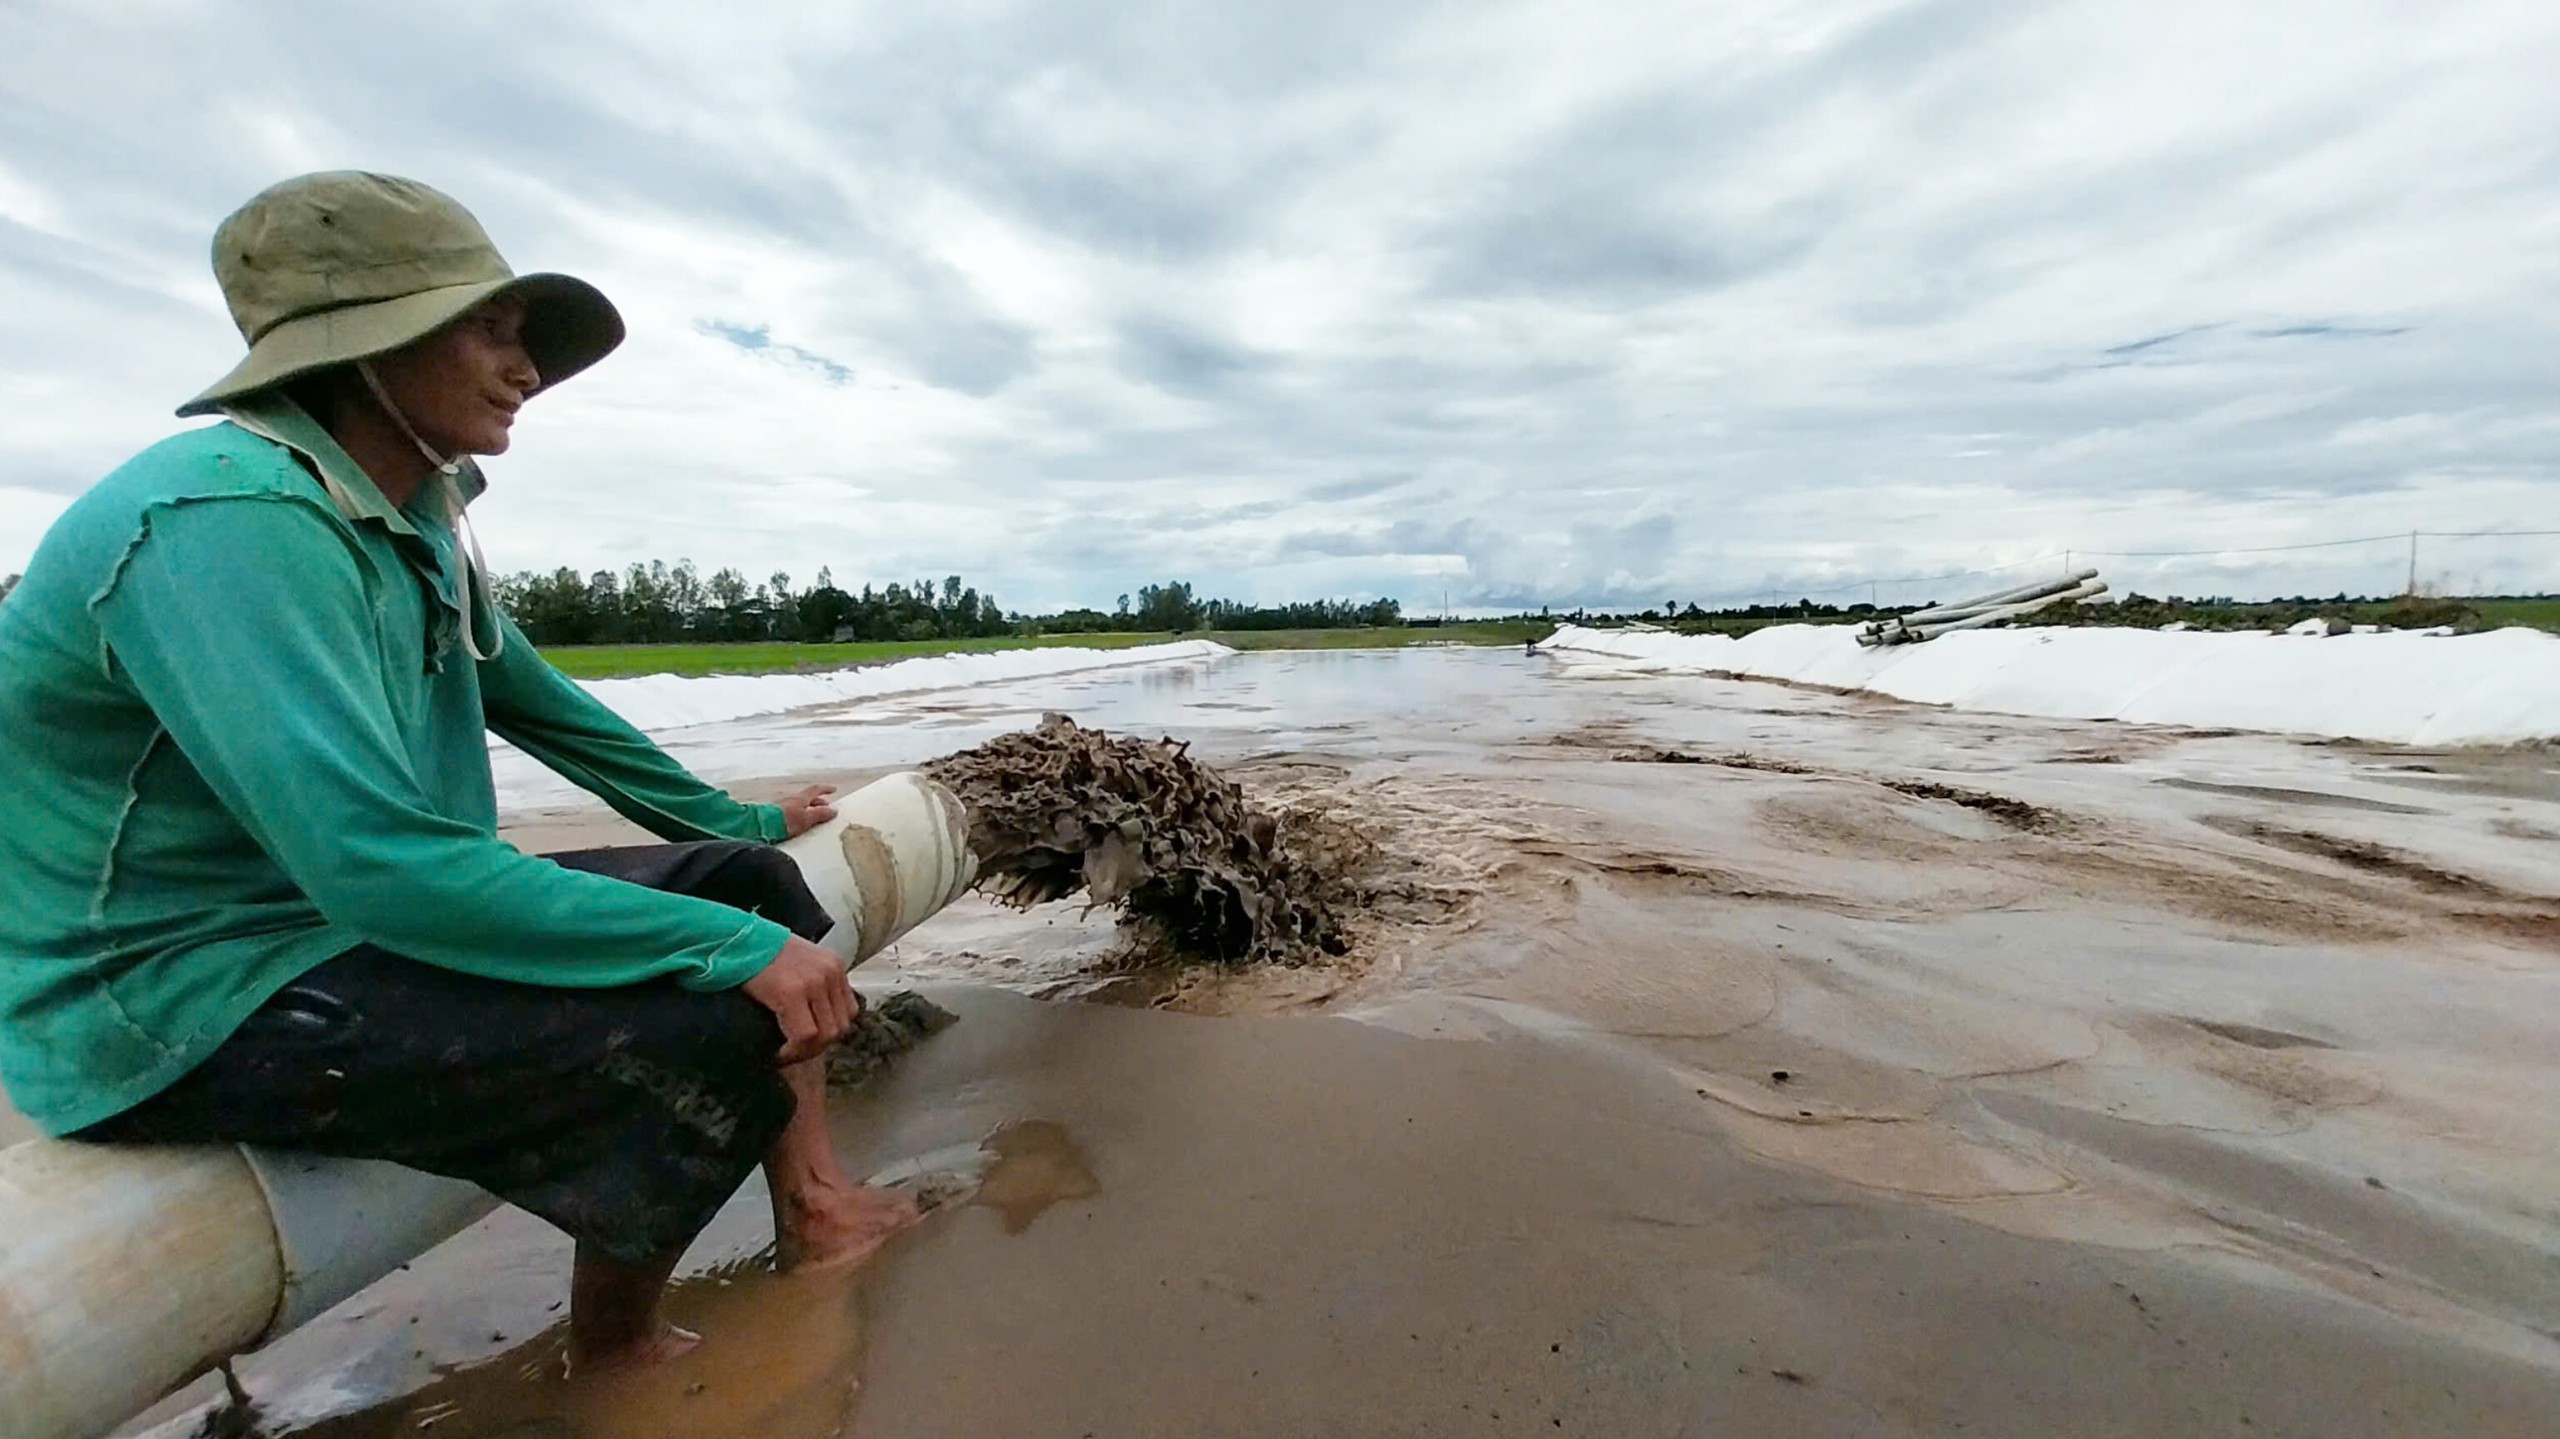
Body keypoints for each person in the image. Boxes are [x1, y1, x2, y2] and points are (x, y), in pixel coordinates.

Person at [0, 172, 918, 1372]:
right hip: (174, 986)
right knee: (699, 1024)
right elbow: (380, 868)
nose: (525, 365)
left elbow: (538, 702)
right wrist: (728, 955)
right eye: (488, 328)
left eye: (522, 334)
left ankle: (815, 1203)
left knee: (757, 884)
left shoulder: (414, 504)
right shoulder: (223, 523)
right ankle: (616, 1354)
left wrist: (729, 820)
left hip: (331, 918)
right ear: (361, 346)